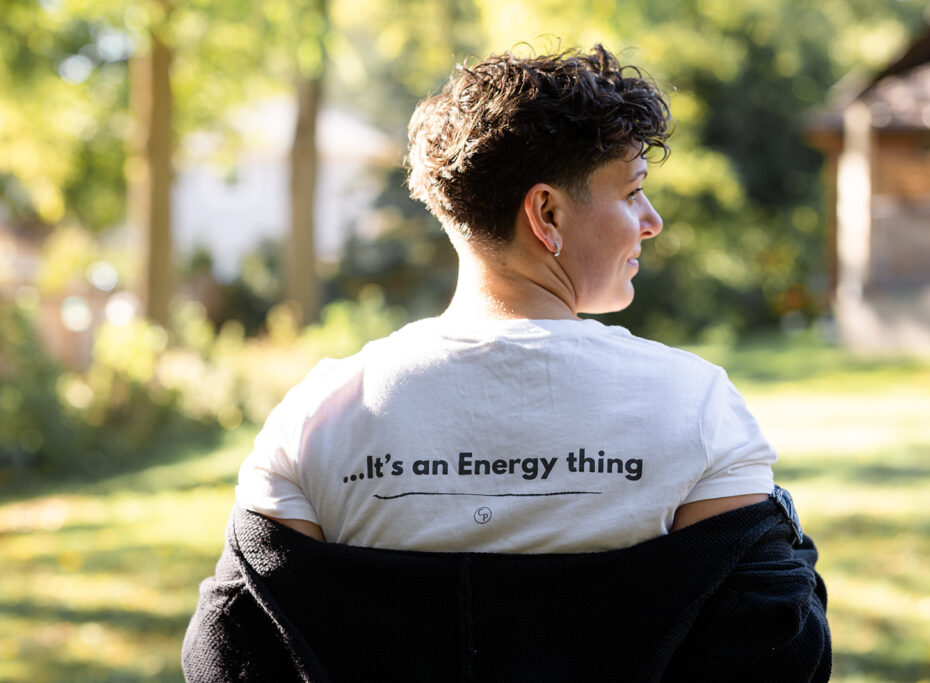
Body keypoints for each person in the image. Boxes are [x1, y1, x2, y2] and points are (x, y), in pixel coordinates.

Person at [183, 45, 830, 681]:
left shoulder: (316, 415)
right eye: (632, 192)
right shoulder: (696, 407)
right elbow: (774, 649)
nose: (651, 221)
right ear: (546, 213)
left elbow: (230, 653)